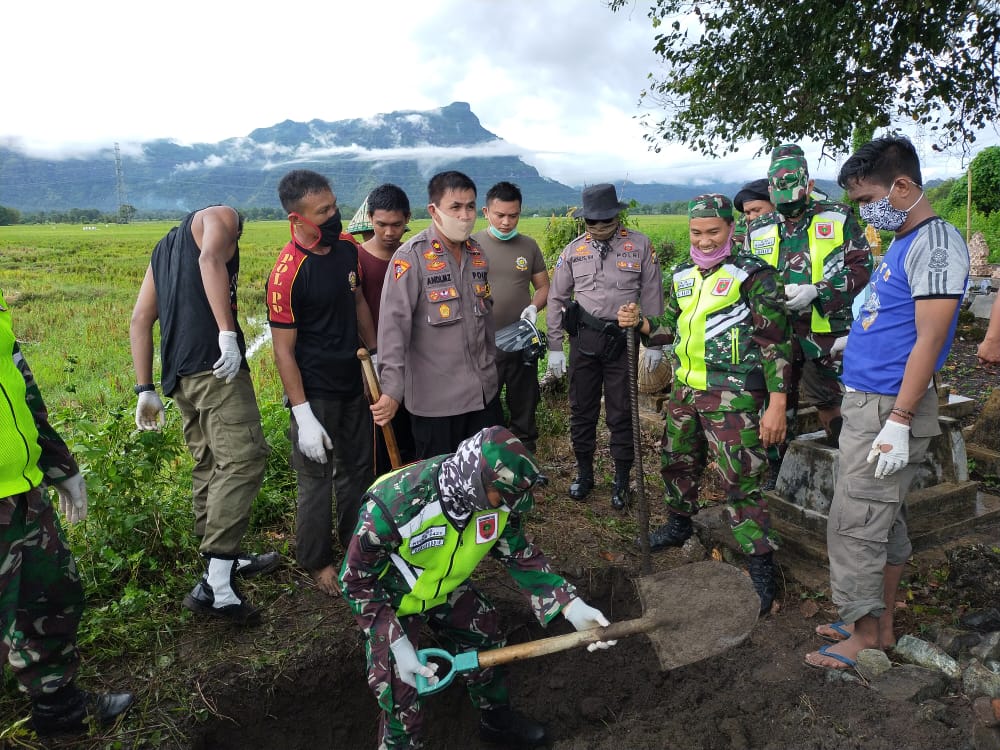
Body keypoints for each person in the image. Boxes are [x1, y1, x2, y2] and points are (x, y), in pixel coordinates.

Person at [339, 426, 615, 749]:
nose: (509, 507)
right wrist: (396, 642)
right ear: (476, 486)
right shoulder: (399, 505)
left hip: (440, 591)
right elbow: (354, 578)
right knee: (401, 693)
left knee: (485, 630)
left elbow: (521, 556)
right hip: (390, 600)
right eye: (504, 498)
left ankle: (495, 721)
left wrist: (570, 605)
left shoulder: (500, 504)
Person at [805, 136, 970, 670]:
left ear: (902, 187)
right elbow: (896, 317)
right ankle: (880, 622)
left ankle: (864, 637)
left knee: (853, 523)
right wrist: (856, 340)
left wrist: (898, 418)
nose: (862, 210)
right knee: (884, 520)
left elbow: (931, 336)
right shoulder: (903, 240)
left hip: (886, 408)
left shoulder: (936, 242)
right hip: (871, 400)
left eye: (865, 198)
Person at [617, 194, 791, 614]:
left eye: (714, 231)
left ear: (731, 228)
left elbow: (776, 344)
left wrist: (777, 404)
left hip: (732, 396)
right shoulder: (684, 275)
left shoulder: (754, 276)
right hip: (685, 391)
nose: (706, 240)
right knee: (676, 460)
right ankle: (679, 525)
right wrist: (640, 322)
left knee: (740, 480)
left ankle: (761, 564)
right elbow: (669, 327)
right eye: (697, 232)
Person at [130, 205, 278, 625]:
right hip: (215, 368)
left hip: (180, 376)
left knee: (210, 464)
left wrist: (145, 389)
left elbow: (141, 318)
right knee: (244, 459)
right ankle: (217, 584)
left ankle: (221, 563)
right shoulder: (222, 214)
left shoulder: (163, 247)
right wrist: (227, 335)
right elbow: (210, 258)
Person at [2, 290, 134, 734]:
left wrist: (58, 463)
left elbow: (20, 383)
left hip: (21, 489)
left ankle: (58, 708)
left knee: (51, 594)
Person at [266, 171, 378, 595]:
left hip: (354, 379)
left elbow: (358, 301)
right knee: (316, 479)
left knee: (358, 471)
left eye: (334, 206)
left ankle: (357, 546)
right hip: (314, 392)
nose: (335, 217)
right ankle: (316, 560)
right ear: (297, 219)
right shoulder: (286, 275)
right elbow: (282, 351)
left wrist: (376, 354)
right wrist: (303, 414)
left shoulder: (347, 249)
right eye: (324, 212)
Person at [746, 144, 872, 488]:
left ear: (810, 183)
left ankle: (851, 468)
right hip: (777, 335)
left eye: (793, 187)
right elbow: (746, 277)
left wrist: (819, 291)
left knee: (832, 401)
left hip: (825, 332)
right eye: (777, 189)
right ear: (770, 188)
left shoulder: (837, 216)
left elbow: (862, 267)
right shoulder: (759, 228)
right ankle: (776, 472)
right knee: (775, 405)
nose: (786, 200)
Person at [546, 183, 664, 510]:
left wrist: (654, 341)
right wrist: (555, 346)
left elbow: (653, 295)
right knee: (581, 410)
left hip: (622, 341)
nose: (598, 227)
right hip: (583, 339)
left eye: (605, 219)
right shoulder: (573, 251)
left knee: (621, 412)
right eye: (592, 221)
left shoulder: (639, 246)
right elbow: (556, 298)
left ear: (617, 214)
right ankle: (584, 474)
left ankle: (622, 480)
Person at [372, 171, 503, 459]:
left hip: (483, 397)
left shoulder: (477, 253)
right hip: (437, 405)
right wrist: (392, 390)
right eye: (455, 207)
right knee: (443, 490)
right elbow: (393, 330)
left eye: (470, 206)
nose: (465, 215)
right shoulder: (411, 258)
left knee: (486, 481)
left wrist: (492, 369)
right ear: (434, 210)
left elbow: (486, 320)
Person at [472, 181, 549, 452]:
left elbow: (543, 287)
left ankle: (524, 454)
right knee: (484, 405)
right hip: (482, 342)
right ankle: (486, 458)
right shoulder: (471, 245)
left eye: (513, 215)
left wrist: (533, 308)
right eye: (500, 215)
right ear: (486, 212)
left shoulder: (528, 246)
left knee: (524, 402)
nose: (506, 222)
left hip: (520, 340)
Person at [358, 183, 417, 475]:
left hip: (415, 362)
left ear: (407, 218)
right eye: (381, 224)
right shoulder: (357, 260)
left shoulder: (416, 256)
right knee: (381, 441)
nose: (389, 232)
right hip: (374, 363)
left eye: (396, 225)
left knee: (411, 436)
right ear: (370, 219)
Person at [732, 177, 774, 245]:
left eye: (757, 210)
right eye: (747, 213)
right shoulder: (744, 221)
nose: (751, 217)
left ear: (774, 204)